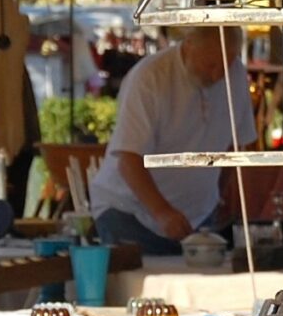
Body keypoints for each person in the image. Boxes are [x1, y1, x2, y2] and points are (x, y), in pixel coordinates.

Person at [86, 25, 257, 253]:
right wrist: (162, 211)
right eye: (211, 65)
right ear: (188, 46)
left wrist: (217, 196)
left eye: (226, 65)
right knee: (139, 287)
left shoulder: (236, 76)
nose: (218, 75)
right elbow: (128, 158)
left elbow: (235, 145)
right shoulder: (150, 77)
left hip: (198, 219)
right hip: (129, 213)